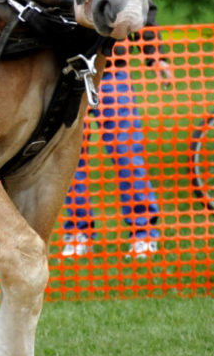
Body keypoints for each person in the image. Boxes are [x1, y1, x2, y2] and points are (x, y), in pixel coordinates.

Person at [60, 16, 172, 259]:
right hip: (69, 75)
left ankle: (143, 232)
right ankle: (79, 231)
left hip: (112, 73)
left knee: (127, 155)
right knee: (69, 160)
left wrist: (156, 56)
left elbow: (140, 7)